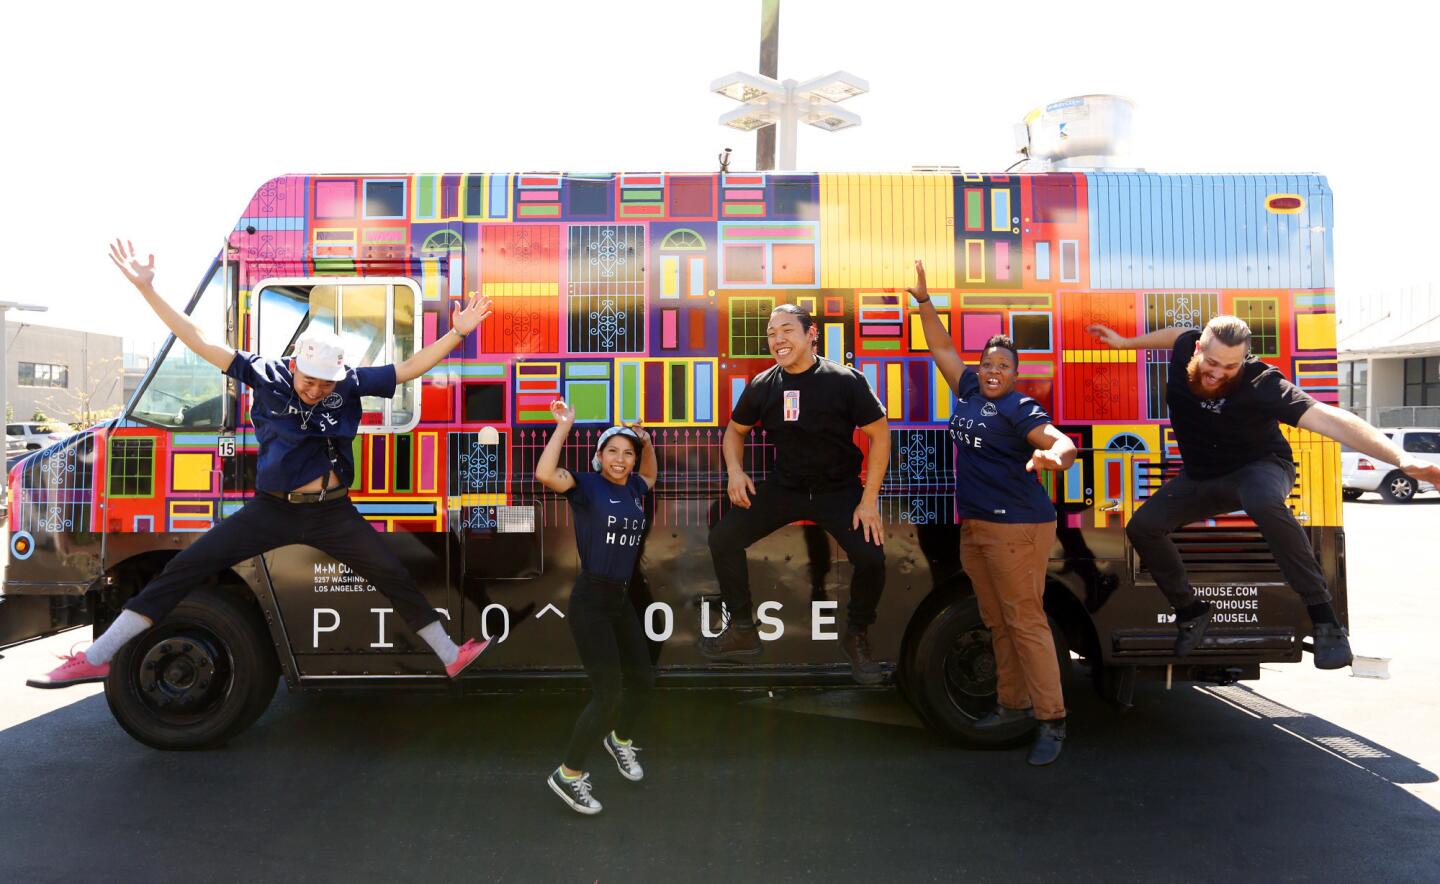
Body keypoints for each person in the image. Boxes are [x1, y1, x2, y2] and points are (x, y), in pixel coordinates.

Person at [28, 240, 494, 688]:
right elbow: (199, 338)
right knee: (185, 568)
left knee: (392, 573)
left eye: (325, 386)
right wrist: (148, 288)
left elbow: (409, 368)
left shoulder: (349, 382)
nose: (316, 391)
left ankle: (451, 657)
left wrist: (458, 332)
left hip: (332, 512)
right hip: (272, 509)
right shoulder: (265, 374)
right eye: (310, 382)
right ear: (294, 366)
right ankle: (94, 659)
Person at [1088, 315, 1440, 666]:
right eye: (1211, 363)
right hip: (1202, 477)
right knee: (1143, 526)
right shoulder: (1186, 346)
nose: (1218, 374)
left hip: (1262, 468)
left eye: (1230, 366)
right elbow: (1176, 334)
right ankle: (1191, 611)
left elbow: (1330, 418)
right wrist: (1124, 343)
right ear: (1198, 349)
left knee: (1261, 499)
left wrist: (1401, 458)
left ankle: (1325, 621)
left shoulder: (1261, 382)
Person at [909, 260, 1076, 766]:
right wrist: (923, 302)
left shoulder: (1018, 409)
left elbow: (1061, 442)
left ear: (1015, 373)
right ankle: (1012, 704)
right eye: (988, 364)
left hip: (1018, 527)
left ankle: (1051, 721)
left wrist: (1055, 457)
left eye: (1003, 366)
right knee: (996, 621)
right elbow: (940, 347)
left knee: (1025, 621)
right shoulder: (970, 391)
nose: (994, 372)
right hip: (978, 526)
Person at [699, 303, 891, 685]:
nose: (778, 340)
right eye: (771, 333)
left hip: (838, 491)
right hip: (786, 487)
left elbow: (880, 434)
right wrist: (735, 472)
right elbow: (735, 432)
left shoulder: (845, 380)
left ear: (810, 333)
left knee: (872, 558)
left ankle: (855, 637)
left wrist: (868, 499)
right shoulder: (763, 385)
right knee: (723, 537)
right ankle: (742, 628)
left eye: (786, 330)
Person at [534, 401, 658, 816]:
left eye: (628, 453)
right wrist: (564, 426)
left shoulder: (635, 488)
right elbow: (545, 474)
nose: (621, 460)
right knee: (608, 694)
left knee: (642, 680)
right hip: (591, 600)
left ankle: (618, 741)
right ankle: (568, 775)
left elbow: (651, 475)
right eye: (613, 452)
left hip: (620, 599)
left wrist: (647, 441)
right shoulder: (586, 486)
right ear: (599, 456)